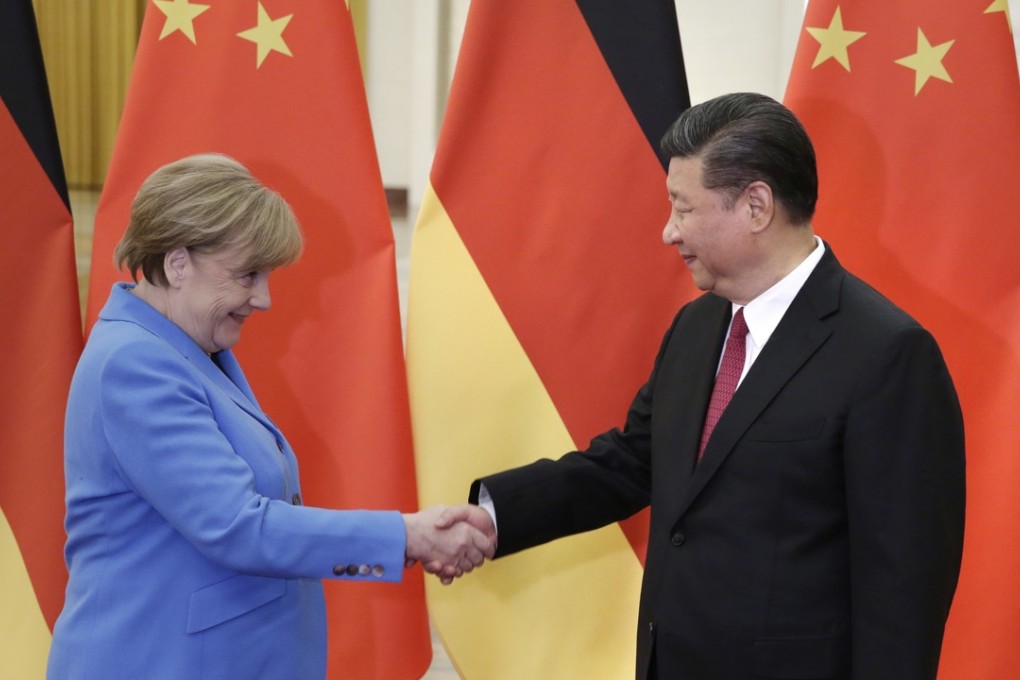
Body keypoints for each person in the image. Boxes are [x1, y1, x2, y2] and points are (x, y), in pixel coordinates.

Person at [441, 93, 965, 679]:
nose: (669, 232)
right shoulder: (698, 325)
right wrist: (494, 516)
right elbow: (632, 460)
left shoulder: (886, 353)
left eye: (683, 208)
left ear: (756, 205)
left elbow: (905, 586)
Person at [47, 153, 493, 679]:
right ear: (177, 263)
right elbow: (237, 524)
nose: (263, 299)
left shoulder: (185, 348)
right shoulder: (135, 364)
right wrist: (407, 536)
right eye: (247, 275)